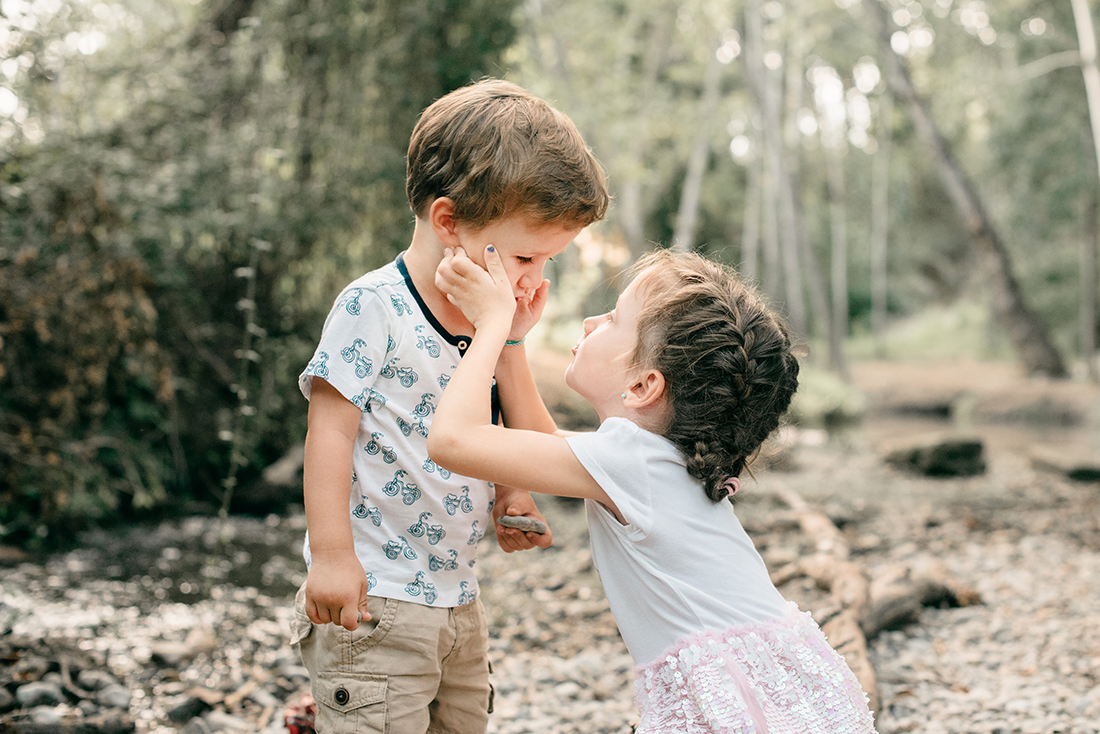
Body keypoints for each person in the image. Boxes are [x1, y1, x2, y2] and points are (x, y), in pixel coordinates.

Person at [428, 246, 878, 733]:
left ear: (643, 386)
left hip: (733, 696)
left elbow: (452, 441)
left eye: (613, 318)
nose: (589, 321)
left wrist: (490, 327)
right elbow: (543, 444)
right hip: (774, 681)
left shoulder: (631, 462)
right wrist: (514, 343)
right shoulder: (662, 457)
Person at [292, 78, 609, 734]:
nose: (533, 278)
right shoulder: (373, 307)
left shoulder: (486, 320)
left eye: (549, 260)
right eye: (526, 254)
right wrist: (331, 555)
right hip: (374, 595)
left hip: (459, 599)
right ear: (448, 222)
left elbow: (501, 429)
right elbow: (329, 431)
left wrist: (511, 496)